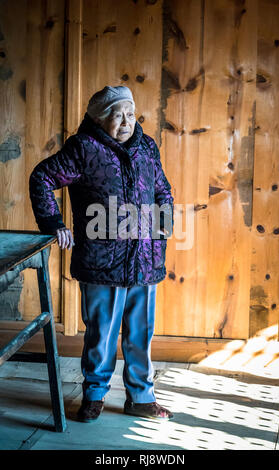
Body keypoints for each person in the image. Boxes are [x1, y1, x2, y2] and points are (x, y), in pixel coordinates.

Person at [29, 85, 174, 421]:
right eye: (116, 114)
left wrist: (165, 216)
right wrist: (54, 223)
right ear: (98, 118)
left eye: (129, 112)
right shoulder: (84, 148)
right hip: (102, 261)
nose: (125, 121)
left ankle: (141, 397)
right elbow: (42, 178)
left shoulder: (147, 146)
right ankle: (94, 395)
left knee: (141, 333)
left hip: (146, 259)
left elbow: (162, 188)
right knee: (101, 334)